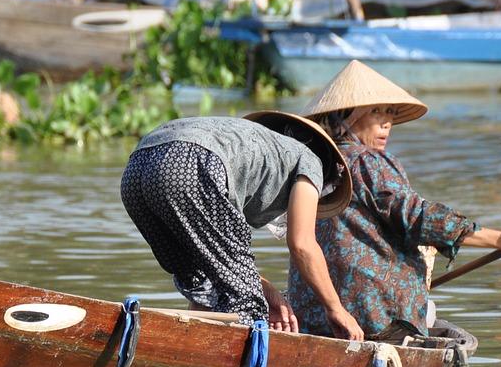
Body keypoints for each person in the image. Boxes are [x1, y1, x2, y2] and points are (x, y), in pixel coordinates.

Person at [286, 60, 501, 342]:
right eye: (375, 112)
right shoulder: (367, 160)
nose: (386, 123)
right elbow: (419, 217)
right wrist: (500, 239)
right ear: (346, 116)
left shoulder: (314, 163)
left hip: (311, 314)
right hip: (370, 317)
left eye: (390, 113)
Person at [121, 112, 361, 334]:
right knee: (247, 303)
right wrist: (335, 309)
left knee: (202, 280)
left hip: (137, 166)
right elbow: (302, 244)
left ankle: (190, 349)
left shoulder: (260, 148)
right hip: (191, 162)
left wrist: (266, 289)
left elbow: (218, 260)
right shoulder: (312, 162)